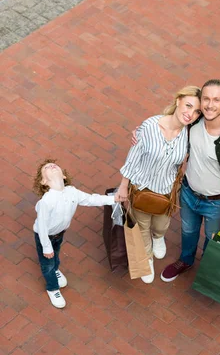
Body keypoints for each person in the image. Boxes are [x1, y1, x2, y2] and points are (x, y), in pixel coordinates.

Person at [160, 79, 220, 282]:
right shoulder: (193, 121)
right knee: (188, 231)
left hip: (215, 203)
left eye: (217, 100)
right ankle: (186, 260)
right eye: (206, 99)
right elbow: (170, 121)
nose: (210, 105)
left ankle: (207, 269)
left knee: (212, 239)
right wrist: (141, 132)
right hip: (188, 193)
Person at [115, 86, 202, 283]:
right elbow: (133, 157)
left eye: (196, 111)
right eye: (188, 105)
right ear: (178, 100)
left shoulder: (190, 135)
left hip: (166, 190)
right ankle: (147, 259)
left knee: (162, 224)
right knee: (142, 225)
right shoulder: (149, 126)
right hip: (141, 187)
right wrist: (123, 185)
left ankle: (158, 237)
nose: (190, 114)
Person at [33, 159, 117, 309]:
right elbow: (42, 226)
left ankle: (56, 269)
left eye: (54, 165)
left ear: (64, 176)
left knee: (56, 253)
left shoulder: (72, 191)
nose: (52, 165)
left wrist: (113, 199)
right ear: (44, 181)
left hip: (59, 233)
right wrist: (46, 246)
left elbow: (91, 199)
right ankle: (52, 288)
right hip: (45, 237)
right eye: (46, 167)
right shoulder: (47, 201)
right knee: (47, 263)